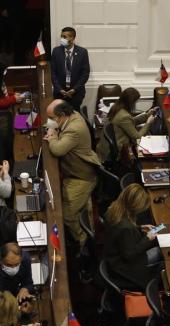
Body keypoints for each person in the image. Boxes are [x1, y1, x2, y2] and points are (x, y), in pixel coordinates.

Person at [44, 99, 102, 251]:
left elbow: (57, 149)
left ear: (62, 115)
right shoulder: (71, 115)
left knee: (68, 215)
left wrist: (53, 136)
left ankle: (84, 242)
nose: (49, 122)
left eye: (51, 118)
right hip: (73, 172)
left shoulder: (74, 128)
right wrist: (54, 133)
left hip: (81, 177)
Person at [104, 184, 161, 289]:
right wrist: (147, 238)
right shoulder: (126, 228)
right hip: (123, 266)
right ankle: (156, 284)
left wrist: (139, 228)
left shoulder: (114, 208)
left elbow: (121, 234)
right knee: (160, 252)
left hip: (113, 256)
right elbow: (130, 254)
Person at [97, 87, 156, 164]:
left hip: (104, 147)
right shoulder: (124, 116)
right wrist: (148, 123)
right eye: (135, 102)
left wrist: (147, 115)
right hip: (117, 151)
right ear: (130, 102)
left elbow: (130, 122)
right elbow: (137, 136)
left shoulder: (116, 107)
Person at [50, 27, 90, 110]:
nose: (62, 39)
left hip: (76, 94)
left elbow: (85, 74)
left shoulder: (82, 52)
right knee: (60, 118)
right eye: (61, 36)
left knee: (73, 118)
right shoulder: (56, 51)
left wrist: (74, 90)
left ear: (72, 38)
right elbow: (53, 73)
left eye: (64, 37)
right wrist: (60, 89)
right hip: (59, 94)